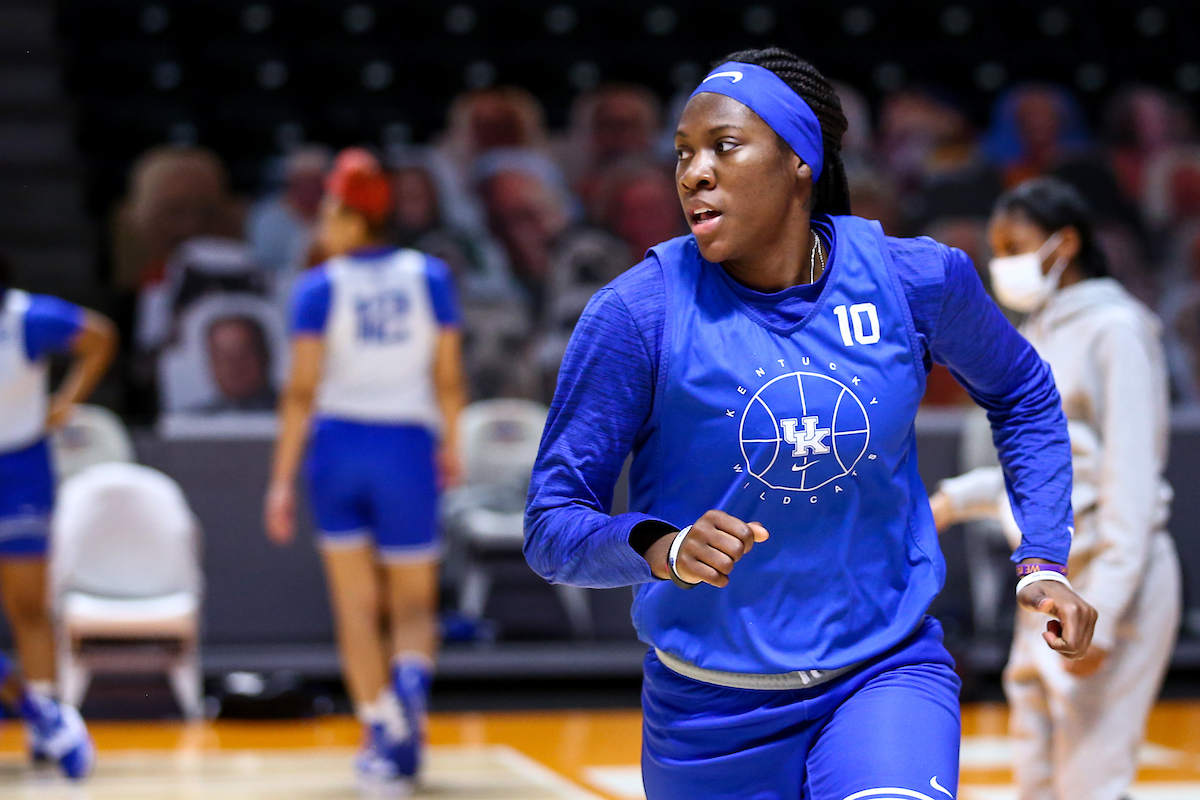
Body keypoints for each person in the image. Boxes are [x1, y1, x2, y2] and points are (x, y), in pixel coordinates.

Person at [524, 47, 1097, 799]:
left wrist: (1044, 556)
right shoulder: (637, 315)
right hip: (706, 710)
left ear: (801, 160)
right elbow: (552, 527)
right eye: (684, 153)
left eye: (725, 146)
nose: (694, 173)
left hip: (882, 675)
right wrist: (663, 547)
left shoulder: (914, 279)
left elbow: (1023, 393)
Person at [929, 177, 1181, 800]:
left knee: (1090, 782)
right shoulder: (1040, 328)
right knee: (1036, 777)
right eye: (996, 250)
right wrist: (953, 501)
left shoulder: (1117, 328)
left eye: (1014, 247)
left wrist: (1107, 613)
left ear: (1065, 243)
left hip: (1111, 577)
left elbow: (1129, 482)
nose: (1002, 264)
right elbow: (1046, 472)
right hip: (1048, 578)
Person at [263, 148, 466, 792]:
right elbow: (449, 379)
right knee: (415, 602)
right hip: (407, 447)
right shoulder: (430, 276)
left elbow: (300, 392)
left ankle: (380, 729)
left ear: (353, 217)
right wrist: (453, 444)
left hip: (338, 447)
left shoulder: (319, 286)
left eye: (329, 210)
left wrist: (280, 479)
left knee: (355, 606)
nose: (322, 222)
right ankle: (411, 683)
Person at [0, 255, 116, 778]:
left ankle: (43, 718)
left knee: (28, 604)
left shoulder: (28, 319)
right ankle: (41, 714)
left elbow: (100, 338)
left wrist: (65, 403)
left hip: (21, 469)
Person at [203, 315, 277, 412]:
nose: (233, 367)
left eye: (242, 354)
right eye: (223, 357)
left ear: (264, 356)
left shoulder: (291, 410)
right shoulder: (197, 417)